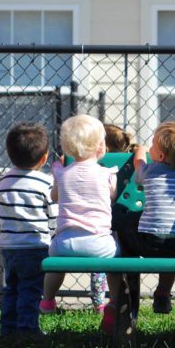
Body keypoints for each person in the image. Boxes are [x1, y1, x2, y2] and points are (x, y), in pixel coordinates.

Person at [39, 115, 120, 335]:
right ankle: (112, 302)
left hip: (63, 243)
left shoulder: (62, 173)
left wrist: (60, 179)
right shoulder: (107, 174)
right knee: (116, 260)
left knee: (56, 265)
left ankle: (47, 301)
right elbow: (112, 197)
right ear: (101, 146)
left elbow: (55, 196)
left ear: (66, 147)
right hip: (98, 244)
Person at [116, 121, 175, 318]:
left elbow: (139, 163)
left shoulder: (151, 171)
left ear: (161, 156)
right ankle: (163, 291)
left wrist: (141, 150)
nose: (150, 146)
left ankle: (130, 289)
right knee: (170, 245)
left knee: (124, 226)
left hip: (150, 244)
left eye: (153, 144)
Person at [0, 123, 57, 337]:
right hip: (35, 245)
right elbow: (53, 214)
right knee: (31, 289)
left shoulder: (3, 182)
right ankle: (27, 329)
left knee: (11, 287)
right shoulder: (44, 182)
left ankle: (7, 327)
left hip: (9, 246)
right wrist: (54, 232)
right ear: (44, 158)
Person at [85, 124, 134, 314]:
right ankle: (117, 299)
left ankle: (99, 303)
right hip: (124, 224)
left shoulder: (96, 168)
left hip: (98, 224)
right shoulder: (126, 166)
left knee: (100, 262)